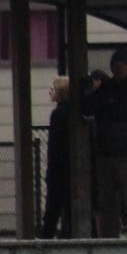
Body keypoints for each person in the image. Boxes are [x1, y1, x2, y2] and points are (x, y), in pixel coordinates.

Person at [85, 50, 127, 238]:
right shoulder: (114, 88)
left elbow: (104, 108)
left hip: (125, 153)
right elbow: (89, 106)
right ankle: (112, 240)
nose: (118, 70)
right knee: (109, 203)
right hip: (111, 152)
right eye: (115, 67)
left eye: (121, 66)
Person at [40, 75, 76, 240]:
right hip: (70, 169)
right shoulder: (73, 112)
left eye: (53, 89)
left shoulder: (58, 114)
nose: (50, 92)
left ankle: (46, 239)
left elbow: (55, 146)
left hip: (58, 170)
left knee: (52, 209)